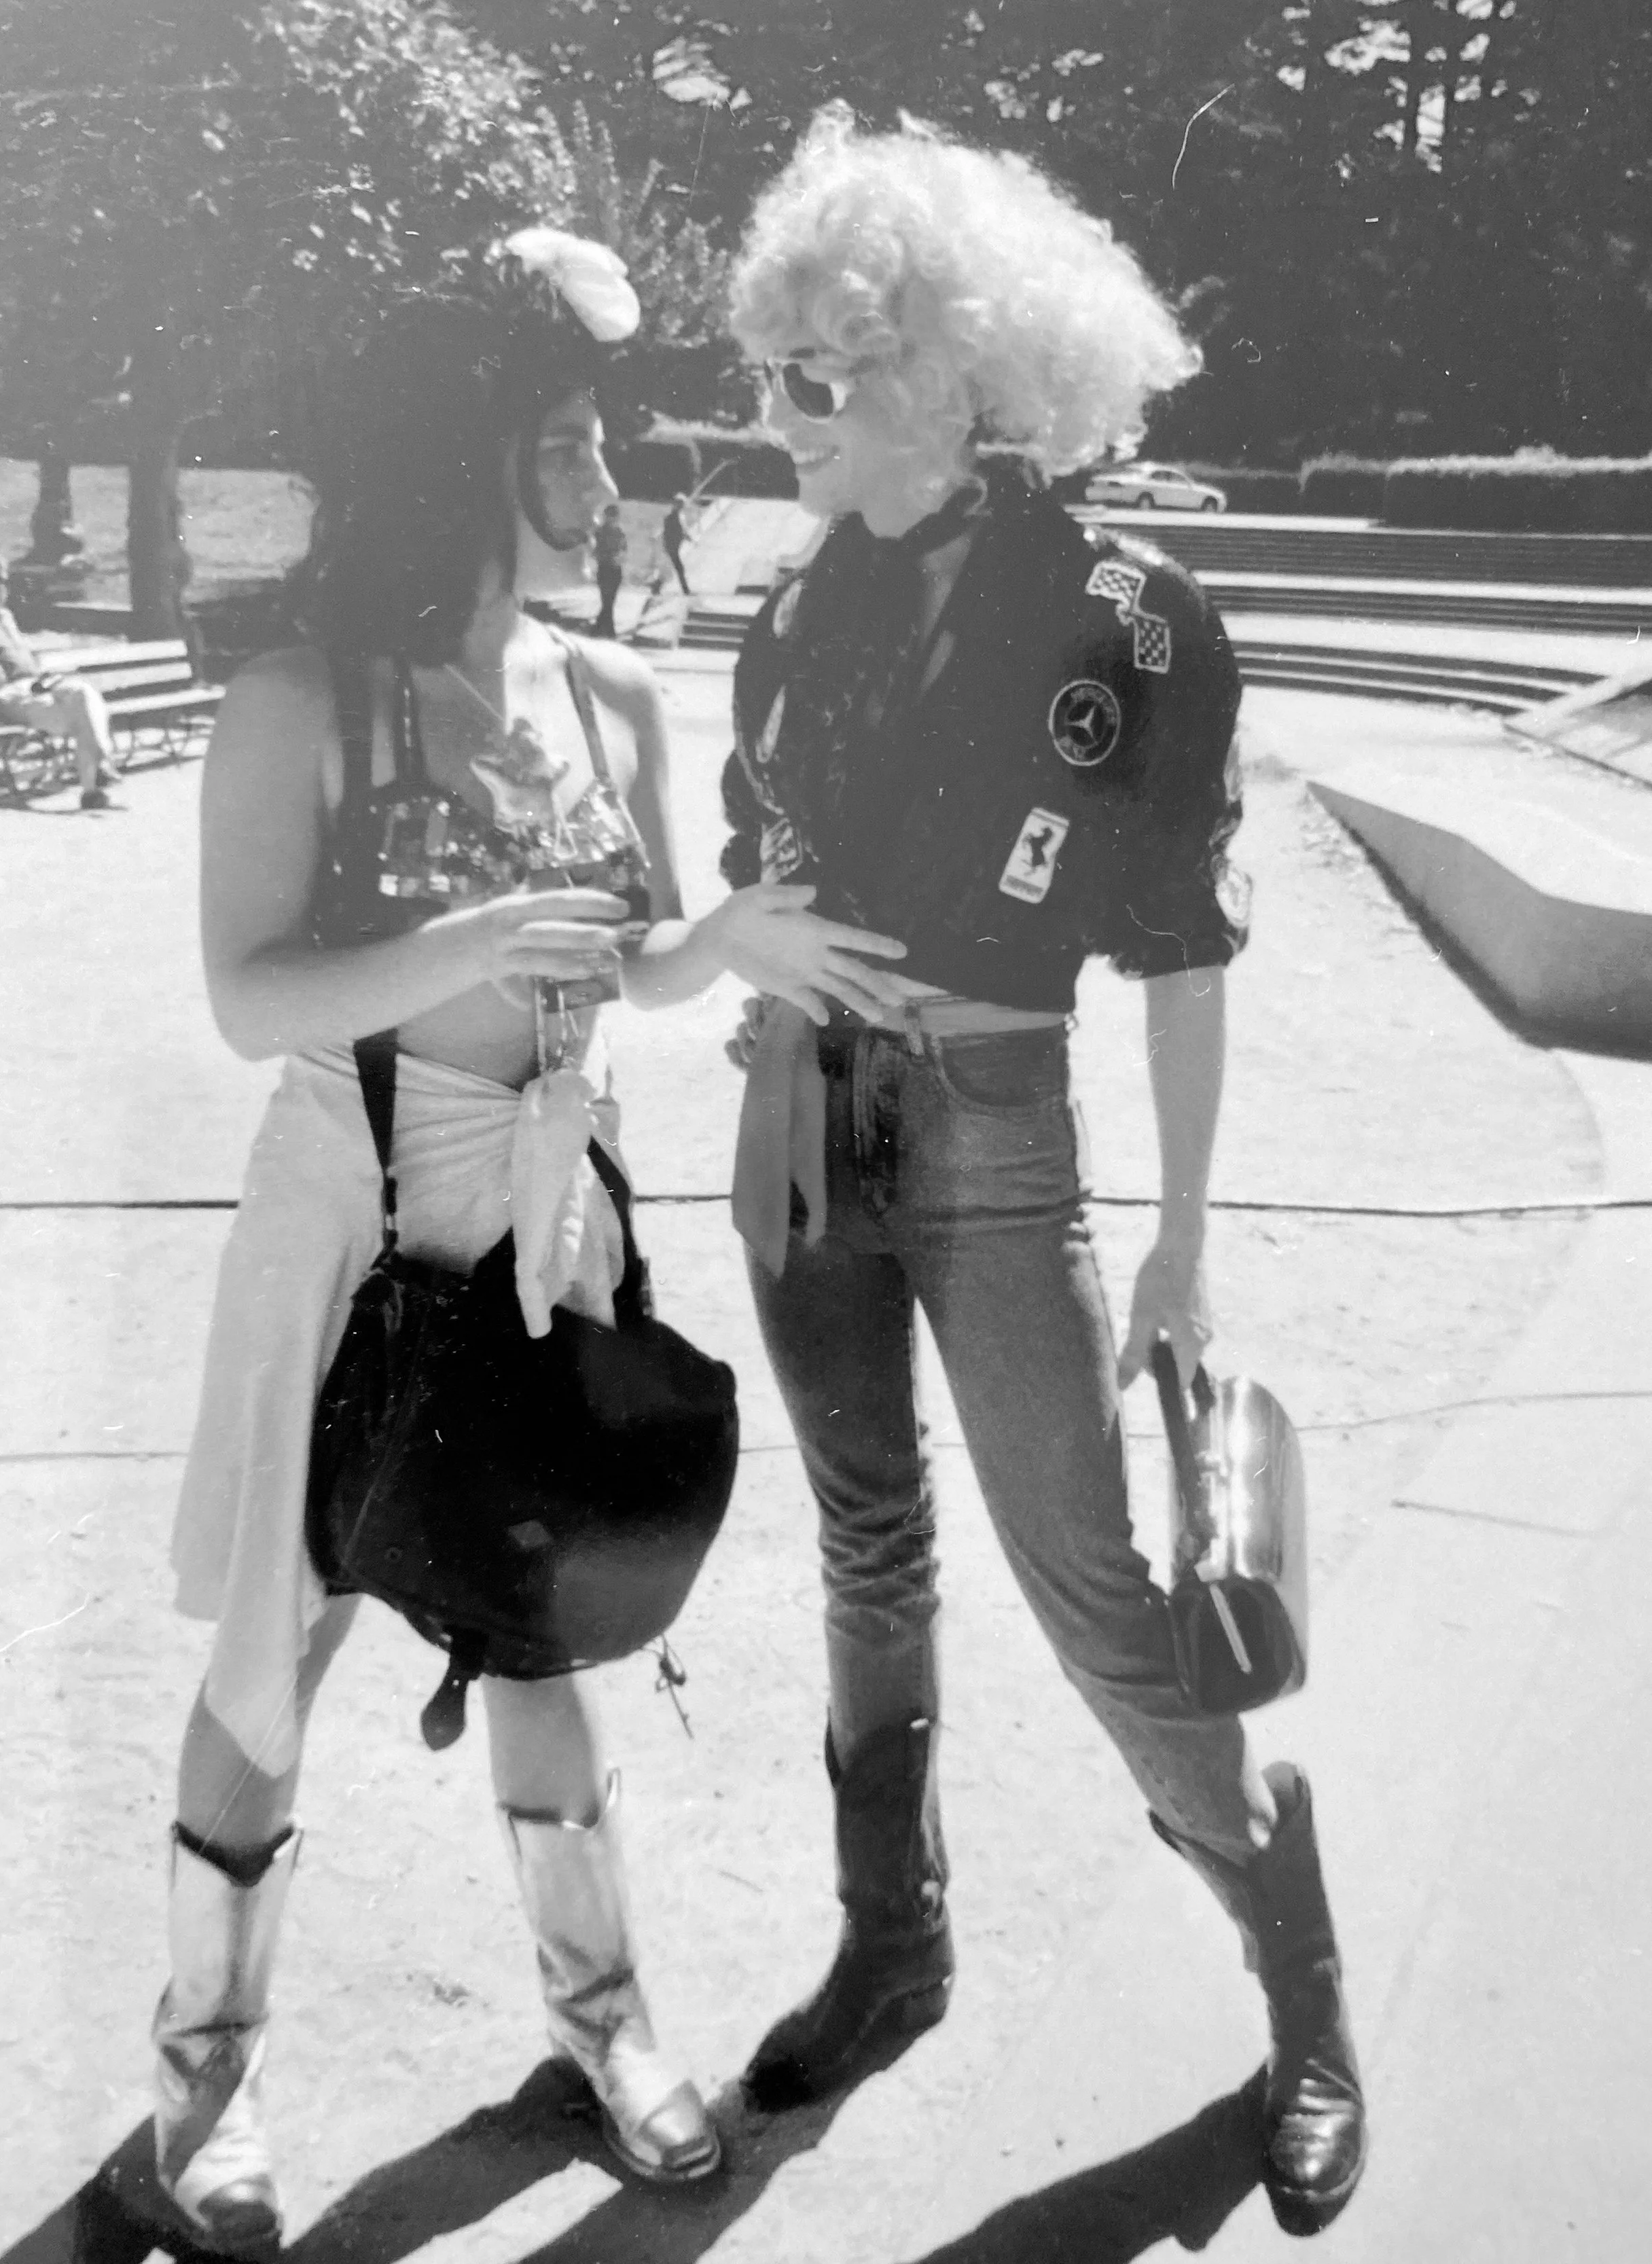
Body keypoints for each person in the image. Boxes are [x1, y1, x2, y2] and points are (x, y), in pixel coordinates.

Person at [136, 234, 914, 2254]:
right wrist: (463, 947)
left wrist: (721, 949)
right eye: (565, 441)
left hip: (552, 1204)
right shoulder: (306, 696)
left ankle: (603, 2026)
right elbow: (248, 997)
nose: (603, 477)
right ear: (467, 459)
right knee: (278, 1640)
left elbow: (633, 962)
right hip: (357, 1208)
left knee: (543, 1608)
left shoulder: (609, 688)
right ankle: (197, 2084)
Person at [717, 109, 1366, 2240]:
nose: (775, 412)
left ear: (957, 374)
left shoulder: (1130, 613)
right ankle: (888, 1948)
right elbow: (758, 875)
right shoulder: (783, 613)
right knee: (862, 1556)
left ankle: (1301, 1988)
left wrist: (1175, 1236)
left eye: (820, 371)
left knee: (1093, 1595)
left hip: (1001, 1144)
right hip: (797, 1129)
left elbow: (1174, 949)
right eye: (768, 369)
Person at [0, 552, 118, 808]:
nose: (2, 590)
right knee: (81, 713)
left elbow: (21, 653)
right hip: (6, 695)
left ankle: (97, 769)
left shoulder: (6, 616)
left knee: (84, 693)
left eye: (4, 583)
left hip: (36, 685)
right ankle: (93, 782)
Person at [592, 499, 627, 636]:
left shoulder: (620, 532)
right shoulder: (599, 532)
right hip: (605, 568)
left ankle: (597, 630)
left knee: (610, 601)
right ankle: (610, 632)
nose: (612, 518)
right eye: (610, 515)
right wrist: (608, 556)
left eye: (614, 515)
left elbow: (624, 549)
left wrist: (620, 558)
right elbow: (595, 551)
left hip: (616, 569)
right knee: (607, 601)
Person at [661, 492, 693, 594]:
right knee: (679, 568)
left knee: (674, 568)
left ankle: (656, 585)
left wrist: (686, 536)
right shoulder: (671, 518)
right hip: (672, 546)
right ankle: (686, 590)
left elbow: (681, 530)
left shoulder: (679, 516)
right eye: (680, 504)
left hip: (676, 546)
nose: (682, 507)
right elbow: (672, 532)